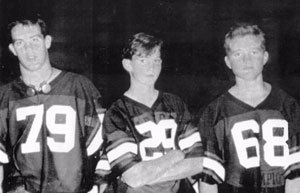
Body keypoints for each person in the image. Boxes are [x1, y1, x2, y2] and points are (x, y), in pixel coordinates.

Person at [0, 13, 105, 193]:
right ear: (12, 49)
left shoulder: (79, 87)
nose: (29, 49)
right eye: (20, 43)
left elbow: (103, 149)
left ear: (47, 41)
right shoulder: (5, 96)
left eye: (35, 40)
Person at [197, 22, 300, 193]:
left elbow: (296, 176)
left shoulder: (288, 106)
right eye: (238, 54)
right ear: (228, 62)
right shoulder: (214, 112)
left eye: (254, 52)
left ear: (265, 56)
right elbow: (209, 180)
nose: (247, 60)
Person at [100, 32, 203, 193]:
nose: (151, 67)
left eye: (156, 60)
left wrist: (147, 174)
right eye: (143, 60)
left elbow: (198, 162)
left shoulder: (175, 104)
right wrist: (174, 156)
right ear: (128, 65)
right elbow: (133, 177)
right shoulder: (117, 113)